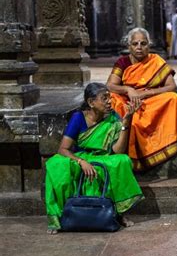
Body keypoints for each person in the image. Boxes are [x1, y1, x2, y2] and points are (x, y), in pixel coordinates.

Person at [45, 83, 144, 234]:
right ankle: (58, 218)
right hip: (81, 158)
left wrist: (126, 122)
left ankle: (118, 214)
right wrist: (81, 162)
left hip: (103, 158)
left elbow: (117, 151)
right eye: (104, 99)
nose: (110, 102)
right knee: (56, 163)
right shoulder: (78, 118)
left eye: (109, 98)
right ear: (91, 102)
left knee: (122, 160)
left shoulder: (113, 117)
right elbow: (63, 149)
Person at [107, 28, 177, 171]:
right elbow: (110, 85)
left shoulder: (156, 61)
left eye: (143, 43)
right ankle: (122, 141)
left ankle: (171, 141)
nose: (139, 47)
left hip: (151, 102)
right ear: (129, 47)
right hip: (129, 102)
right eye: (135, 44)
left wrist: (145, 94)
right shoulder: (122, 62)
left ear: (149, 46)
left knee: (173, 98)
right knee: (113, 99)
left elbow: (172, 87)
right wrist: (129, 89)